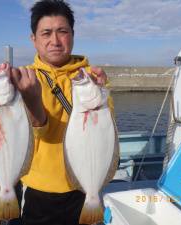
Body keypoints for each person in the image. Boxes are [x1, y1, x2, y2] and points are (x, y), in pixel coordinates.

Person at [9, 0, 113, 224]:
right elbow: (35, 134)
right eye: (46, 33)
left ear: (73, 35)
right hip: (39, 190)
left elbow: (107, 130)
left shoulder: (91, 78)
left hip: (85, 186)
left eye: (62, 32)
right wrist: (31, 99)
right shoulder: (24, 80)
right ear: (33, 39)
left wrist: (103, 93)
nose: (55, 41)